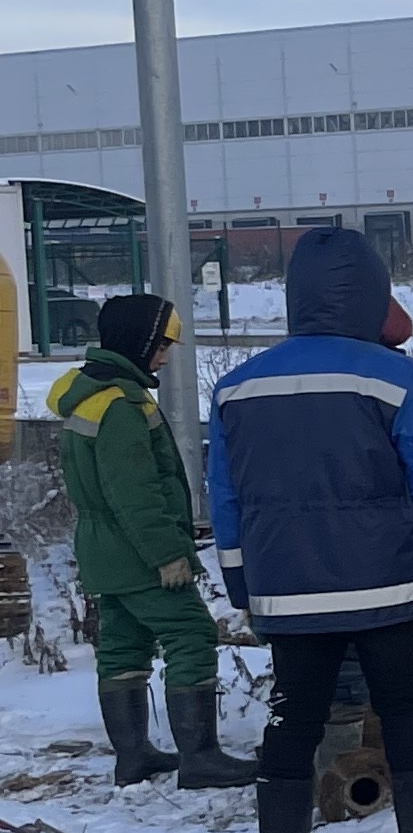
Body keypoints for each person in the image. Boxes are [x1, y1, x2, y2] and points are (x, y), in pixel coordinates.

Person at [207, 225, 413, 833]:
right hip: (389, 588)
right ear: (371, 293)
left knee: (293, 713)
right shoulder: (398, 379)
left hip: (289, 591)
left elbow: (226, 501)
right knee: (407, 709)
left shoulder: (237, 389)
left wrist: (243, 588)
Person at [49, 292, 260, 792]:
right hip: (138, 549)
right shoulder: (122, 404)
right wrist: (167, 554)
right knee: (192, 634)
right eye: (162, 344)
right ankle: (200, 757)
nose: (165, 355)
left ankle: (134, 756)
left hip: (103, 549)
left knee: (124, 645)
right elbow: (136, 493)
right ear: (139, 341)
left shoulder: (90, 393)